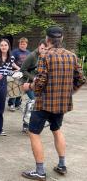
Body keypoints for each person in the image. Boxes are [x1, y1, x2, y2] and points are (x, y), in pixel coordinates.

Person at [21, 26, 86, 181]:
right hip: (61, 104)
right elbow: (81, 79)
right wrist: (69, 93)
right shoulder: (72, 56)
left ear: (47, 39)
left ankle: (40, 171)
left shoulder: (45, 56)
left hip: (44, 103)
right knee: (56, 130)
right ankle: (62, 165)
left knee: (34, 133)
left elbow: (40, 82)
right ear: (61, 39)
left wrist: (29, 86)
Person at [19, 39, 47, 132]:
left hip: (38, 84)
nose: (43, 50)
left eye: (45, 49)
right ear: (39, 46)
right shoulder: (32, 56)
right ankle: (26, 125)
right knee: (33, 101)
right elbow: (23, 70)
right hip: (27, 82)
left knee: (36, 103)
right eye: (42, 48)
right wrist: (33, 78)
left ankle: (32, 124)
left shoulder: (46, 56)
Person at [8, 37, 30, 111]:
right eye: (21, 44)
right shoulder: (15, 52)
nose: (22, 45)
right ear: (19, 44)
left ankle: (18, 104)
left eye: (24, 44)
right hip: (16, 72)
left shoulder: (28, 53)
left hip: (24, 73)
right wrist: (17, 68)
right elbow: (11, 61)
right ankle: (11, 104)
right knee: (14, 88)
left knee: (21, 89)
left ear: (26, 44)